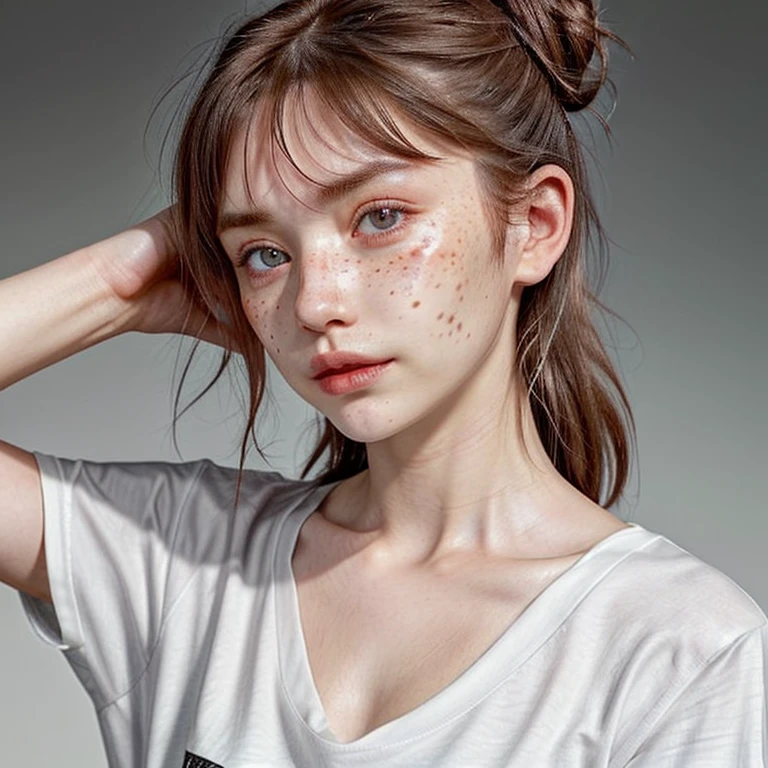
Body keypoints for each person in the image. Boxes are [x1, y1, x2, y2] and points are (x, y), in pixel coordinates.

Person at [0, 0, 766, 765]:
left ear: (533, 224)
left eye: (380, 217)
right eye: (265, 254)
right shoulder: (183, 561)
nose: (314, 303)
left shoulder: (681, 656)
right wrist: (117, 283)